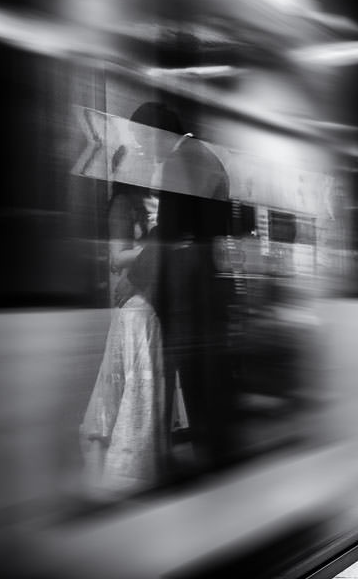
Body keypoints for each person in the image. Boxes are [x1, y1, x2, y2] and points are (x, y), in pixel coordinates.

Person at [130, 101, 233, 472]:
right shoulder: (204, 154)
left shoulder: (180, 160)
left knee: (191, 367)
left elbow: (171, 229)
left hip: (189, 285)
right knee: (205, 368)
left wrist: (134, 262)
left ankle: (206, 450)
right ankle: (214, 445)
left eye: (142, 137)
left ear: (158, 132)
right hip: (206, 277)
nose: (141, 146)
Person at [80, 145, 166, 495]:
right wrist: (159, 248)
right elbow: (117, 258)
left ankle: (128, 463)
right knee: (136, 384)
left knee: (132, 382)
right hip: (135, 304)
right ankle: (129, 467)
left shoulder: (139, 204)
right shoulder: (121, 205)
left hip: (141, 300)